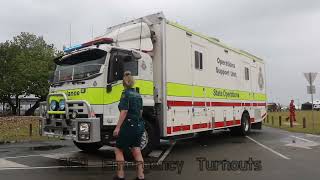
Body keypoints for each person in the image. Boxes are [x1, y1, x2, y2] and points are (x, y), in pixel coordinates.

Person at [113, 71, 145, 180]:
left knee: (118, 149)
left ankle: (120, 176)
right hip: (139, 125)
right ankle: (141, 176)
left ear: (124, 83)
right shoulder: (138, 94)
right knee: (136, 149)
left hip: (128, 125)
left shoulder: (125, 94)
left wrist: (117, 127)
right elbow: (141, 112)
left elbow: (124, 111)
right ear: (132, 82)